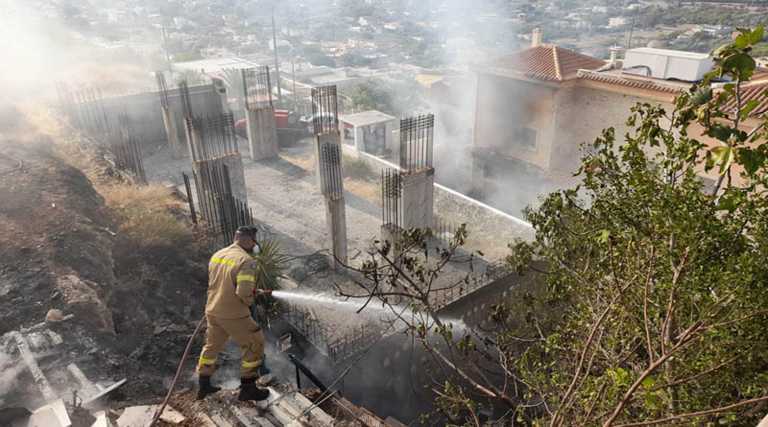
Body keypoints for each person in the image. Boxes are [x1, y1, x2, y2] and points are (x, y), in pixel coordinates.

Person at [196, 225, 272, 401]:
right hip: (233, 313)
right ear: (247, 240)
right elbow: (243, 293)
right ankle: (248, 388)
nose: (255, 245)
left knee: (212, 346)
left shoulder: (219, 255)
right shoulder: (246, 261)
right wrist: (252, 298)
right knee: (254, 343)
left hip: (213, 310)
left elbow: (223, 283)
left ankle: (204, 385)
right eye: (254, 241)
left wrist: (251, 290)